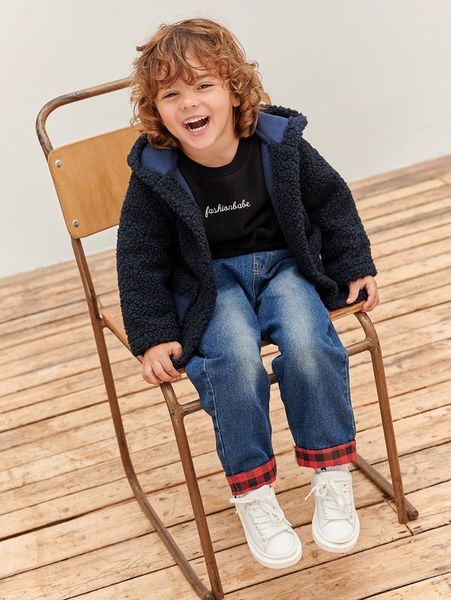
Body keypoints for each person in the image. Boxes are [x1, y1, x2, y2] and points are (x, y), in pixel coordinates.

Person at [116, 17, 379, 570]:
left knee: (309, 342)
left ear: (235, 91)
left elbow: (331, 201)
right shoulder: (155, 174)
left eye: (203, 85)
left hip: (286, 268)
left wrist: (352, 263)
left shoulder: (279, 144)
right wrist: (153, 334)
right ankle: (253, 492)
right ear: (156, 110)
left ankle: (331, 469)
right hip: (210, 285)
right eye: (171, 94)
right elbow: (139, 258)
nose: (189, 102)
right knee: (234, 359)